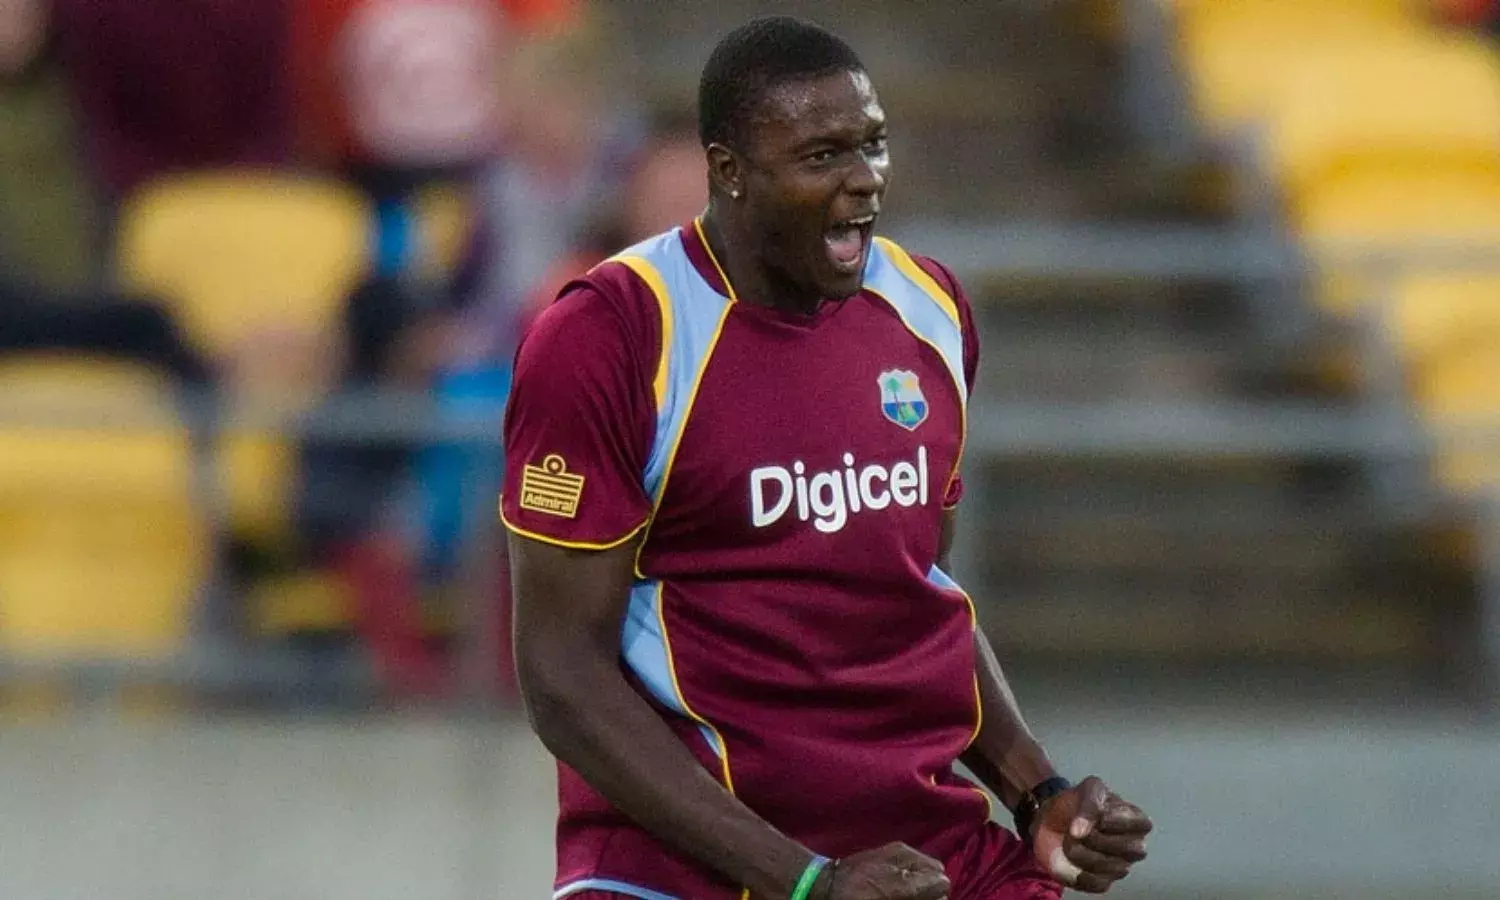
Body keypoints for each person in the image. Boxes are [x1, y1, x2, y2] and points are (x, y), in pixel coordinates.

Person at [502, 17, 1152, 900]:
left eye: (872, 145)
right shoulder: (610, 337)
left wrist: (1037, 791)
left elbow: (917, 589)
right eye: (822, 156)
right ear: (729, 170)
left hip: (919, 856)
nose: (864, 179)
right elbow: (560, 675)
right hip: (680, 876)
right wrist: (807, 881)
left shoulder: (929, 309)